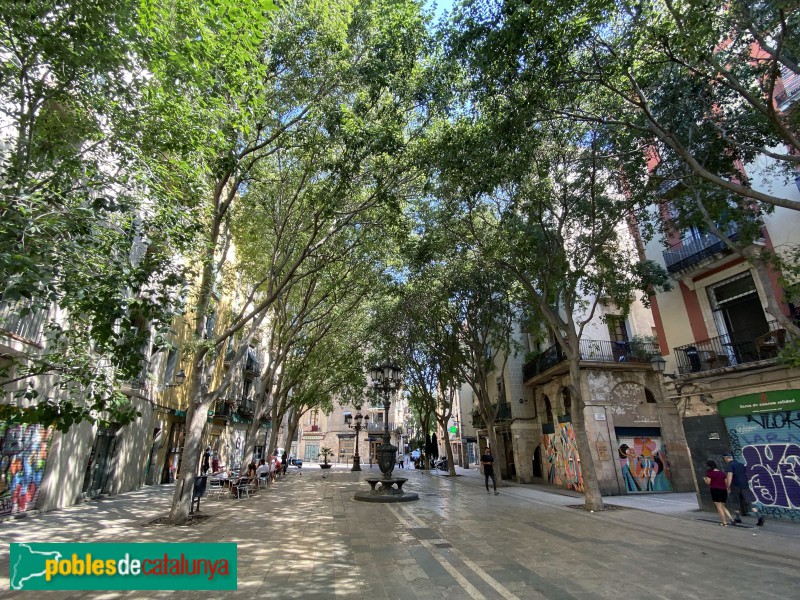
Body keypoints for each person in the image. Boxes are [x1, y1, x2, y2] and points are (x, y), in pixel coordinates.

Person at [724, 452, 764, 526]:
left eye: (724, 458)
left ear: (726, 458)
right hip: (745, 486)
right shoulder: (741, 465)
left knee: (736, 502)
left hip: (735, 486)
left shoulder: (730, 465)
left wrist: (728, 487)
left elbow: (729, 476)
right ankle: (759, 516)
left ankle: (738, 518)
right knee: (749, 502)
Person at [704, 460, 734, 526]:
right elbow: (726, 482)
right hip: (723, 490)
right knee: (723, 506)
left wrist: (705, 479)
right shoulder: (721, 473)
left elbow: (708, 482)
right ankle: (732, 519)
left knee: (719, 507)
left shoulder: (710, 473)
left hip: (715, 490)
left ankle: (724, 522)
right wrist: (728, 488)